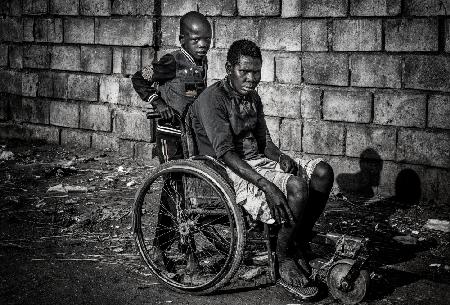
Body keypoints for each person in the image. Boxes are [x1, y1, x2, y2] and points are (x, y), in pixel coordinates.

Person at [190, 39, 334, 299]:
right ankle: (284, 255)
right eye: (244, 71)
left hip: (259, 161)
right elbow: (227, 153)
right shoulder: (214, 99)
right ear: (228, 68)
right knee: (297, 188)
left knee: (322, 172)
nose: (251, 78)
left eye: (256, 71)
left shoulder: (251, 97)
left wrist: (280, 156)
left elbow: (264, 141)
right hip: (231, 169)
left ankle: (295, 238)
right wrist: (266, 185)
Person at [131, 12, 212, 263]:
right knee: (178, 188)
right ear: (182, 39)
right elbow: (139, 79)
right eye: (196, 39)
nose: (202, 45)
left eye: (207, 39)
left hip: (191, 135)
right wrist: (158, 101)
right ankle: (189, 254)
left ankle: (159, 245)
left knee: (176, 188)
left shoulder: (202, 62)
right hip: (170, 135)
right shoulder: (171, 62)